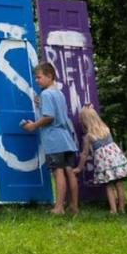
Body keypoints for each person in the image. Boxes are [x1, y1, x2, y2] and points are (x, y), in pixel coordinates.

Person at [21, 62, 79, 214]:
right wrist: (41, 105)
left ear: (50, 76)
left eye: (39, 77)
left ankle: (59, 207)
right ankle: (74, 206)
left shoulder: (46, 94)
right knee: (69, 172)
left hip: (54, 140)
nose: (37, 81)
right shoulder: (59, 93)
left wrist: (33, 125)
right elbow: (58, 113)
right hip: (66, 139)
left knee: (57, 172)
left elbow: (49, 117)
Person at [74, 105, 127, 214]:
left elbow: (84, 154)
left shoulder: (89, 136)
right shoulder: (106, 129)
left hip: (104, 164)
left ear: (85, 121)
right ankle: (122, 208)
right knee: (119, 184)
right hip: (116, 161)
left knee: (108, 186)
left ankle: (113, 210)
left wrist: (79, 168)